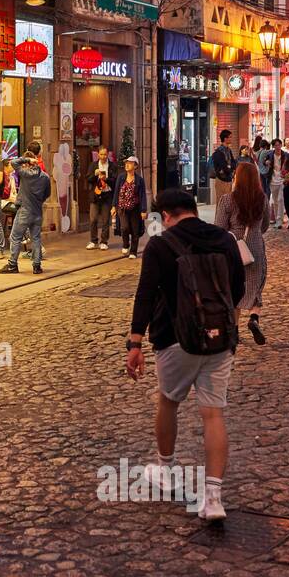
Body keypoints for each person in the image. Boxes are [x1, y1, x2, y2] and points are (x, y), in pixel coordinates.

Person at [126, 188, 245, 523]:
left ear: (166, 216)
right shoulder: (224, 239)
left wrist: (134, 343)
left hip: (175, 338)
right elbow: (237, 289)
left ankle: (165, 468)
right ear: (193, 209)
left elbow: (145, 295)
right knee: (213, 414)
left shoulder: (160, 246)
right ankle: (213, 499)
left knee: (168, 400)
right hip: (219, 339)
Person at [215, 162, 270, 346]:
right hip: (255, 248)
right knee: (255, 287)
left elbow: (219, 228)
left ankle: (234, 331)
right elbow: (265, 226)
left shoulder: (227, 200)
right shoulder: (262, 199)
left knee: (234, 289)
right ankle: (254, 318)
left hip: (233, 250)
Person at [0, 157, 51, 274]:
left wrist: (27, 159)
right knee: (36, 238)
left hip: (24, 210)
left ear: (28, 164)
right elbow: (47, 194)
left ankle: (12, 264)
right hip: (37, 211)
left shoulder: (25, 174)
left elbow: (13, 162)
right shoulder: (46, 177)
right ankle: (37, 266)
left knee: (15, 237)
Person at [112, 155, 148, 258]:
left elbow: (142, 196)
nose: (127, 165)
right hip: (122, 208)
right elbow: (116, 192)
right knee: (125, 228)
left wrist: (143, 210)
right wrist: (114, 206)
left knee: (135, 231)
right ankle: (126, 244)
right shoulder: (121, 177)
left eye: (130, 163)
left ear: (135, 166)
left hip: (135, 209)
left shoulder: (139, 180)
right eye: (126, 163)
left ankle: (133, 252)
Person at [87, 146, 115, 250]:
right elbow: (88, 179)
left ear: (108, 155)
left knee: (105, 220)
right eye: (101, 154)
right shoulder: (93, 165)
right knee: (93, 219)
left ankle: (104, 241)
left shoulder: (112, 166)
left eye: (105, 154)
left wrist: (106, 179)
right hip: (95, 196)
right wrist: (95, 175)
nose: (103, 156)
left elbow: (114, 180)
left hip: (106, 195)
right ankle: (93, 240)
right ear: (98, 155)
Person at [210, 130, 236, 204]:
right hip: (221, 179)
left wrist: (231, 168)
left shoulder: (228, 150)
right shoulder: (219, 152)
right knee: (221, 203)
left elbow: (233, 162)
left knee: (228, 203)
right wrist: (230, 168)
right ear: (225, 139)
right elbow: (224, 166)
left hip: (229, 179)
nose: (231, 139)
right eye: (230, 137)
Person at [267, 138, 288, 229]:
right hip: (272, 180)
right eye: (275, 145)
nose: (277, 147)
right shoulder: (270, 154)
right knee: (275, 201)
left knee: (280, 199)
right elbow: (264, 162)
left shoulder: (286, 155)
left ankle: (279, 221)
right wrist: (266, 162)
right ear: (273, 146)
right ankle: (277, 218)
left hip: (282, 180)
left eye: (279, 145)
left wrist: (287, 177)